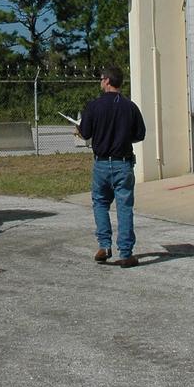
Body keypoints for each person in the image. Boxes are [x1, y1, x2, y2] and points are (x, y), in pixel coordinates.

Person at [78, 65, 147, 267]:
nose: (101, 82)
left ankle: (104, 245)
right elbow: (140, 134)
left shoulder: (94, 106)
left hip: (101, 163)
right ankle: (125, 253)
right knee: (124, 207)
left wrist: (79, 130)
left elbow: (85, 133)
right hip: (123, 163)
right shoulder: (130, 107)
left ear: (107, 81)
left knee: (100, 203)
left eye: (101, 79)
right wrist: (123, 137)